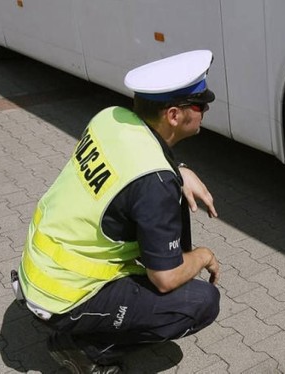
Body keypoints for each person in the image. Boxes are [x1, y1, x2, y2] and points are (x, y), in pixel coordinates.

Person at [11, 50, 221, 374]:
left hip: (40, 267)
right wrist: (205, 256)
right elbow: (164, 279)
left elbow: (132, 161)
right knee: (201, 302)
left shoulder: (110, 117)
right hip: (63, 294)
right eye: (200, 105)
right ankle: (82, 348)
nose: (206, 109)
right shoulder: (154, 183)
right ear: (175, 116)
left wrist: (179, 171)